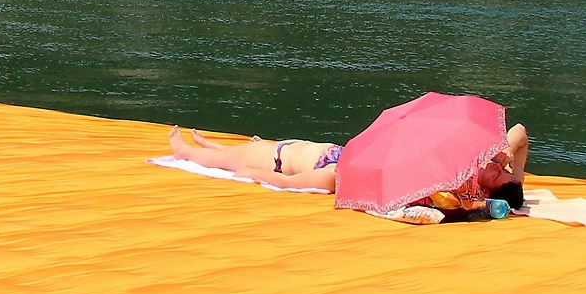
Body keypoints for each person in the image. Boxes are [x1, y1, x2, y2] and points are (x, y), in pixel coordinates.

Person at [166, 121, 530, 205]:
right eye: (499, 167)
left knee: (234, 159)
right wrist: (506, 157)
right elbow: (519, 132)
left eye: (495, 173)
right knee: (245, 151)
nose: (494, 166)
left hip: (290, 160)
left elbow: (292, 183)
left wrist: (254, 176)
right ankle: (215, 148)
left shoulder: (340, 178)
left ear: (485, 189)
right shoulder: (467, 168)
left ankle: (187, 152)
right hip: (320, 150)